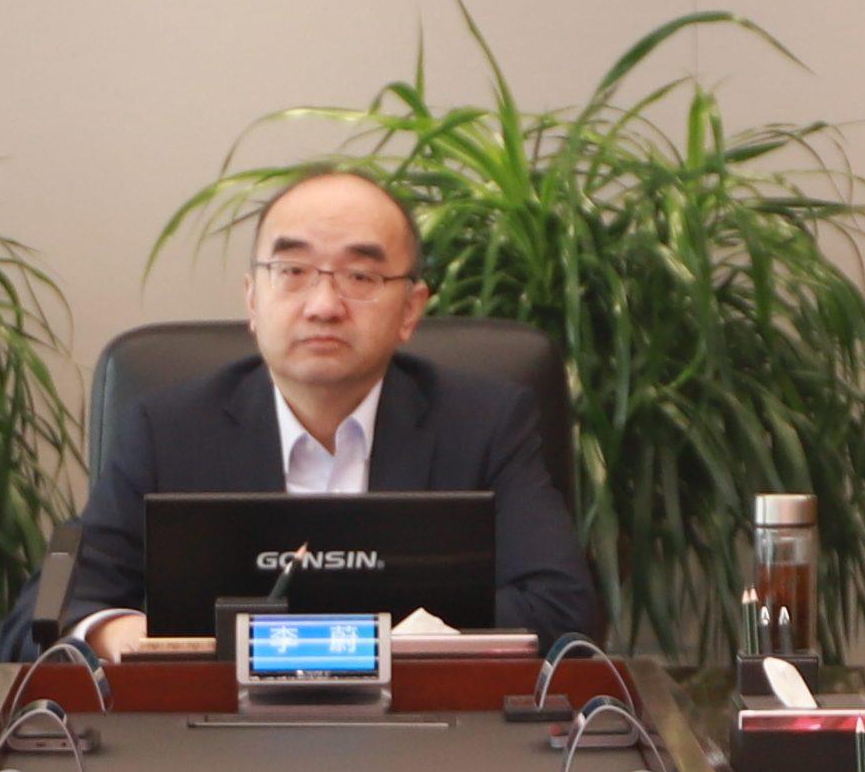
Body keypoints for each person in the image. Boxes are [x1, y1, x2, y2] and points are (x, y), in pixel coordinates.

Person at [60, 165, 605, 654]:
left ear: (410, 310)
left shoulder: (485, 424)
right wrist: (116, 633)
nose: (323, 306)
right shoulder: (167, 430)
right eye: (292, 271)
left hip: (420, 723)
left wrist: (377, 645)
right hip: (218, 725)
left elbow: (563, 608)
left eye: (361, 277)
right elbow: (53, 613)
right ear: (253, 299)